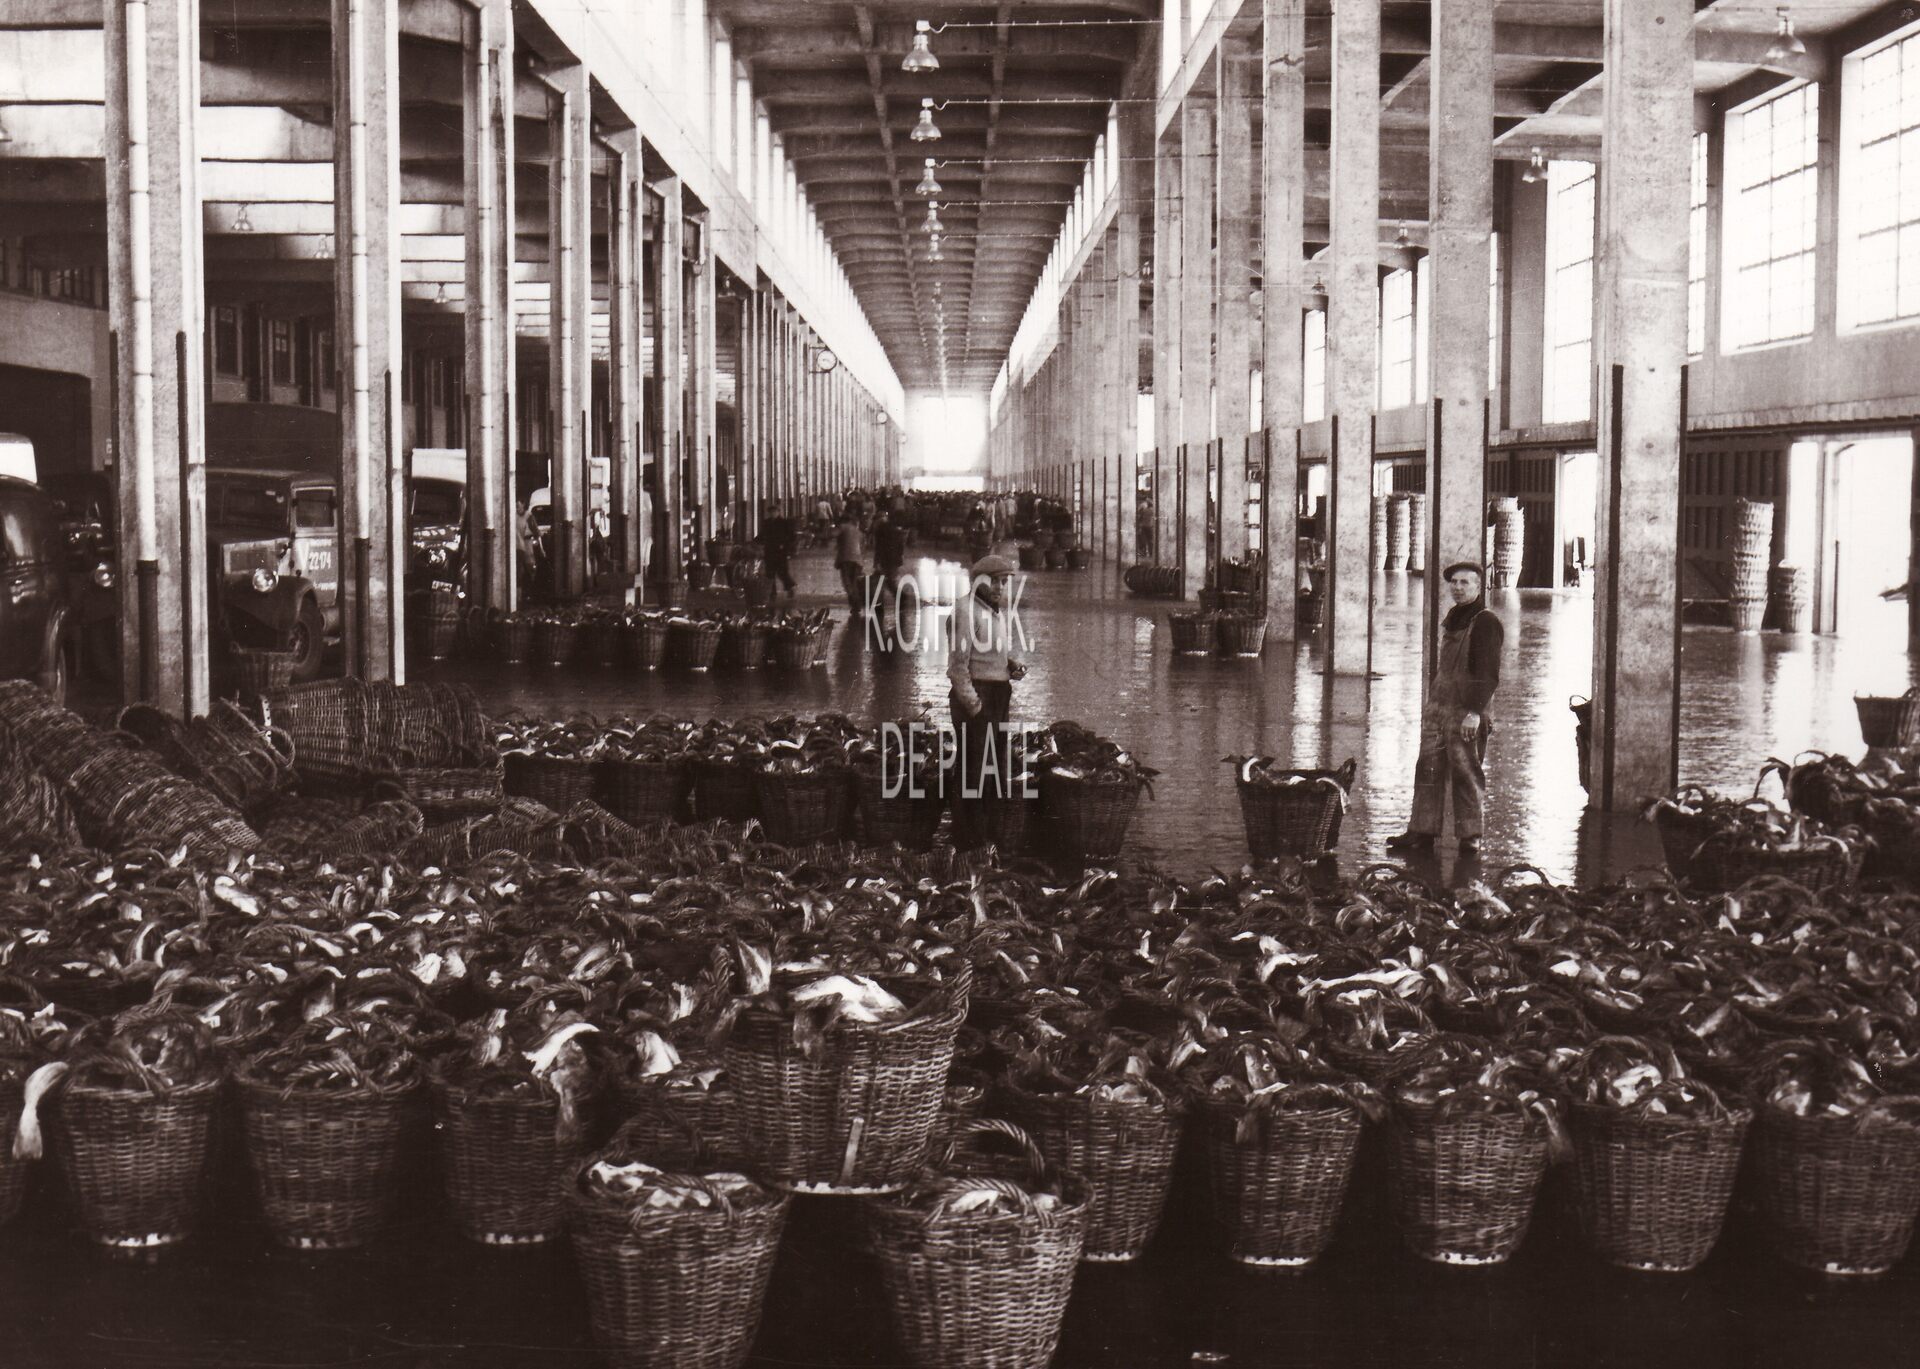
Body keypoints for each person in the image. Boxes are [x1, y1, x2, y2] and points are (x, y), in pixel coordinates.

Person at [1387, 562, 1505, 855]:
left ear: (1478, 587)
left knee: (1466, 771)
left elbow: (1488, 674)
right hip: (1439, 708)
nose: (1458, 588)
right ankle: (1422, 831)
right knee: (1427, 768)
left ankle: (1471, 836)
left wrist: (1474, 713)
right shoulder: (1454, 618)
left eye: (1465, 583)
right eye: (1454, 582)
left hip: (1466, 711)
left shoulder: (1486, 622)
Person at [947, 554, 1027, 838]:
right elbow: (958, 668)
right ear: (977, 581)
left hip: (997, 696)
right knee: (974, 770)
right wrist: (975, 708)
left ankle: (987, 835)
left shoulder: (992, 611)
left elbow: (987, 653)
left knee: (992, 767)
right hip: (977, 698)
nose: (999, 587)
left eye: (1003, 582)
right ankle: (968, 838)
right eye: (993, 581)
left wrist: (1009, 665)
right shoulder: (965, 611)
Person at [759, 500, 797, 596]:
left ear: (778, 512)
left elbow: (792, 536)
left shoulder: (784, 523)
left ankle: (790, 587)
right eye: (771, 512)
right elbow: (762, 535)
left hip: (780, 552)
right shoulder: (766, 522)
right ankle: (772, 592)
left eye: (775, 511)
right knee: (769, 573)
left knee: (782, 572)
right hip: (769, 550)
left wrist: (785, 545)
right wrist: (754, 541)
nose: (773, 513)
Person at [833, 507, 866, 612]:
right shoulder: (858, 531)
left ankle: (855, 602)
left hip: (846, 559)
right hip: (858, 560)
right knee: (854, 582)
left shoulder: (843, 527)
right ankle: (856, 604)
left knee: (847, 582)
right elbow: (862, 546)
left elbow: (833, 534)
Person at [873, 508, 907, 604]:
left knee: (885, 579)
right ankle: (898, 596)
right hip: (894, 558)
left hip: (886, 558)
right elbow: (901, 546)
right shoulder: (895, 529)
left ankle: (900, 596)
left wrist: (876, 561)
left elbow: (879, 547)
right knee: (888, 578)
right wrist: (900, 557)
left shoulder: (880, 530)